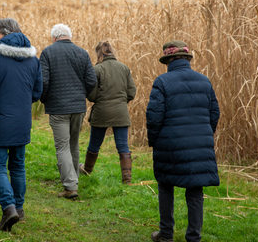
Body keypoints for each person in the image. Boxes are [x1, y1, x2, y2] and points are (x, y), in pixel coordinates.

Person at [146, 40, 220, 242]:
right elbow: (214, 113)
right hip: (199, 145)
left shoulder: (162, 82)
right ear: (187, 59)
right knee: (195, 191)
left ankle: (166, 234)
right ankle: (194, 237)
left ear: (168, 60)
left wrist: (154, 141)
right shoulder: (204, 81)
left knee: (165, 186)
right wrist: (205, 134)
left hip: (170, 145)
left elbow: (154, 117)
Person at [0, 18, 42, 231]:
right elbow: (38, 91)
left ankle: (8, 208)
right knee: (18, 165)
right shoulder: (33, 59)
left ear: (4, 33)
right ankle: (19, 209)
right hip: (21, 121)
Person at [39, 23, 96, 199]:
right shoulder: (82, 52)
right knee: (73, 143)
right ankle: (74, 179)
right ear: (68, 36)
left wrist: (44, 99)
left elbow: (44, 81)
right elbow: (92, 80)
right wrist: (81, 94)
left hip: (58, 107)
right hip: (78, 106)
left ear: (54, 37)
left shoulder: (48, 52)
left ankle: (70, 187)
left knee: (62, 146)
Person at [79, 41, 136, 183]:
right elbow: (131, 92)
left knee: (94, 144)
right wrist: (121, 102)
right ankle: (127, 178)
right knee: (123, 145)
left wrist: (101, 99)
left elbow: (91, 95)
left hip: (101, 112)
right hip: (121, 112)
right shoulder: (124, 68)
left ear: (99, 53)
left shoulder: (97, 69)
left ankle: (87, 169)